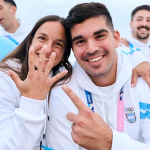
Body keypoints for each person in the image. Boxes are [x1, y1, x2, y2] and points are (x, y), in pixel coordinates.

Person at [46, 3, 150, 150]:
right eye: (80, 41)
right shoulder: (61, 92)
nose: (92, 49)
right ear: (73, 50)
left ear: (116, 39)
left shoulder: (144, 80)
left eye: (100, 36)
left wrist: (111, 143)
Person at [0, 15, 72, 150]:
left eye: (58, 44)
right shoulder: (6, 77)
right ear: (30, 41)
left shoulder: (64, 79)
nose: (47, 48)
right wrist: (32, 100)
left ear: (65, 54)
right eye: (42, 38)